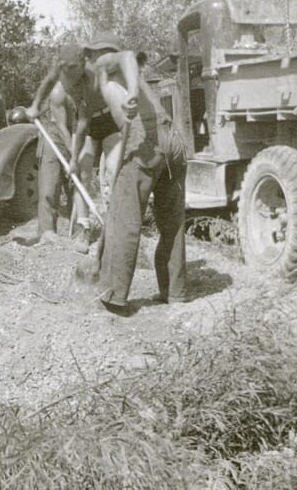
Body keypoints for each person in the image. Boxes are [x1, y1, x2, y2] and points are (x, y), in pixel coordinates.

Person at [82, 35, 188, 316]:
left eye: (89, 55)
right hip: (173, 141)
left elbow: (128, 54)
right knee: (172, 222)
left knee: (123, 219)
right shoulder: (123, 80)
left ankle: (113, 298)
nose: (88, 62)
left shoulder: (109, 64)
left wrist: (129, 93)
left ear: (102, 53)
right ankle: (175, 292)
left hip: (146, 140)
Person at [27, 36, 125, 251]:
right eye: (65, 72)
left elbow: (82, 124)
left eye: (74, 71)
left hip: (107, 121)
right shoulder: (60, 71)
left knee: (113, 170)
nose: (69, 77)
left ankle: (116, 227)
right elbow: (47, 86)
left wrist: (73, 156)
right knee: (82, 172)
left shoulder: (92, 77)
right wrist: (34, 105)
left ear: (82, 64)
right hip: (87, 126)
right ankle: (83, 228)